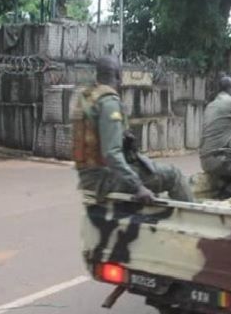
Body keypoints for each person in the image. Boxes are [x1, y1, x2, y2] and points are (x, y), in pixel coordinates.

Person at [72, 55, 193, 203]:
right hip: (104, 179)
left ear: (98, 75)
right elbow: (111, 154)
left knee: (146, 168)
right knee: (174, 175)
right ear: (119, 76)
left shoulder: (87, 98)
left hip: (88, 177)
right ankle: (199, 220)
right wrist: (138, 187)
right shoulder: (109, 102)